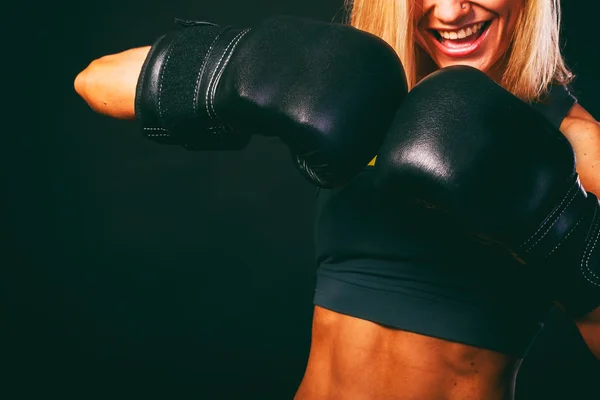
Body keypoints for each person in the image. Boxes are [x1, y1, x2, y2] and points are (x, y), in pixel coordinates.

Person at [74, 1, 600, 399]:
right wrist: (244, 67)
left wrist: (560, 227)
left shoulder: (574, 143)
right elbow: (95, 82)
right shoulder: (355, 92)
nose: (450, 9)